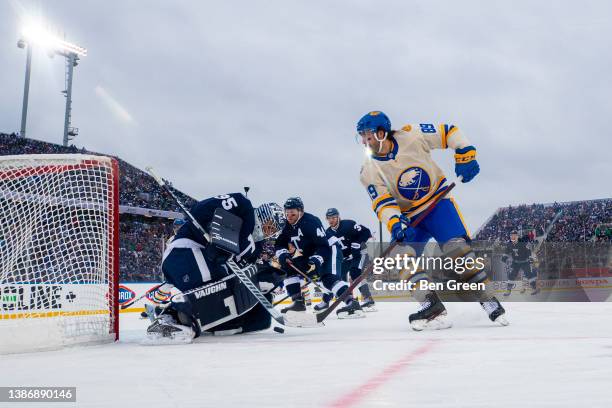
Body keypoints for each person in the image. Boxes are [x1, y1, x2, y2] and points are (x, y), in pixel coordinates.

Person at [356, 110, 507, 330]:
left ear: (381, 133)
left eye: (367, 135)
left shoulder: (411, 135)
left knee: (458, 251)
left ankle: (489, 300)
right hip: (408, 218)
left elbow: (449, 132)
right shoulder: (368, 170)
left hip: (437, 204)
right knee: (399, 256)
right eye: (361, 136)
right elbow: (383, 203)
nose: (363, 141)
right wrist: (395, 223)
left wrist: (465, 153)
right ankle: (431, 304)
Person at [145, 193, 285, 343]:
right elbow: (200, 209)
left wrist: (265, 277)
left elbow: (238, 273)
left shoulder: (255, 248)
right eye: (269, 226)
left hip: (206, 265)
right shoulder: (242, 205)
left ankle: (182, 317)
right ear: (263, 215)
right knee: (213, 280)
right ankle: (171, 318)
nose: (268, 232)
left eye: (272, 231)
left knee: (228, 291)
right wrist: (214, 232)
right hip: (185, 251)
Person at [274, 197, 364, 318]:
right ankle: (298, 303)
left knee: (328, 279)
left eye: (292, 213)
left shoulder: (311, 222)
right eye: (287, 213)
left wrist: (316, 261)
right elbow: (279, 243)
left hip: (329, 249)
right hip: (310, 253)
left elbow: (323, 246)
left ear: (300, 211)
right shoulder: (286, 225)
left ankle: (352, 303)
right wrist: (283, 254)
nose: (289, 216)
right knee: (288, 266)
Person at [319, 208, 376, 312]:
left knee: (355, 274)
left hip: (358, 255)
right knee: (334, 279)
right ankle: (329, 301)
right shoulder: (327, 232)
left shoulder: (348, 224)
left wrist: (358, 242)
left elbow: (366, 232)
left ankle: (368, 299)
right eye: (329, 218)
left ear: (338, 217)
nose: (331, 220)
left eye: (333, 217)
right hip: (344, 259)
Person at [502, 230, 539, 296]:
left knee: (529, 275)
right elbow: (506, 252)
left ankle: (534, 288)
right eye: (511, 235)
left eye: (514, 235)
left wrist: (530, 258)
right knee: (511, 275)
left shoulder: (522, 242)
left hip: (525, 262)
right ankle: (508, 290)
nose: (512, 237)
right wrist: (504, 258)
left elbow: (528, 251)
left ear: (517, 236)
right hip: (515, 262)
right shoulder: (509, 244)